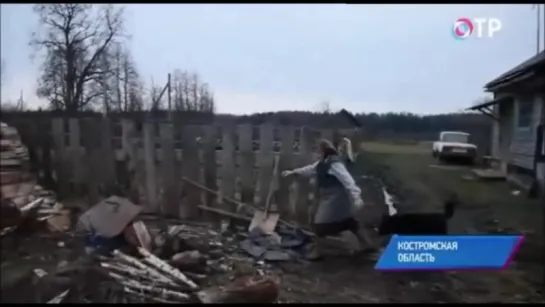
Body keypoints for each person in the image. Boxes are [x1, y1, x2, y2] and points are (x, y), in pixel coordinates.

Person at [282, 139, 375, 260]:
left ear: (323, 150)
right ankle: (367, 244)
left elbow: (348, 181)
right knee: (349, 221)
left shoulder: (335, 163)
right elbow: (311, 169)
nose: (315, 153)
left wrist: (357, 197)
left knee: (319, 224)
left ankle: (319, 251)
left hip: (336, 198)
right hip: (331, 197)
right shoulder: (323, 162)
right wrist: (293, 172)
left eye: (316, 150)